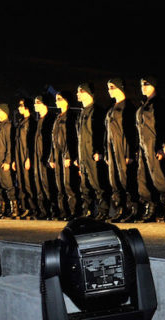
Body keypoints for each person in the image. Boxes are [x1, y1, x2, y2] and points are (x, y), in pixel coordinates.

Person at [135, 76, 165, 222]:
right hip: (143, 146)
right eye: (141, 84)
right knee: (143, 179)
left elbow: (164, 126)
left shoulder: (159, 104)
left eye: (147, 84)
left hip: (154, 145)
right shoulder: (142, 105)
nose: (143, 87)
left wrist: (162, 145)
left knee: (160, 178)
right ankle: (151, 208)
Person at [104, 79, 139, 222]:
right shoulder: (111, 108)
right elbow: (107, 133)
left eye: (111, 87)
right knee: (115, 180)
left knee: (126, 180)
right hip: (112, 149)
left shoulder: (129, 108)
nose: (109, 90)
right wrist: (106, 152)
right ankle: (120, 209)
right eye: (108, 88)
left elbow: (131, 132)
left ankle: (132, 209)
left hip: (123, 149)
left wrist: (129, 152)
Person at [75, 83, 109, 220]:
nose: (77, 94)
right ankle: (88, 210)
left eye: (80, 91)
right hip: (83, 154)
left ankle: (103, 210)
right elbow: (80, 137)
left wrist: (100, 150)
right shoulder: (82, 112)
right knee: (85, 185)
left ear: (89, 93)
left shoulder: (98, 111)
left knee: (98, 183)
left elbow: (101, 133)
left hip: (93, 154)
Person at [50, 91, 77, 220]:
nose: (57, 101)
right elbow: (53, 139)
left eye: (59, 99)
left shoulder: (71, 117)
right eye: (56, 99)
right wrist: (52, 157)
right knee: (59, 184)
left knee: (68, 184)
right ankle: (63, 211)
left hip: (66, 154)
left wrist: (68, 155)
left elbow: (71, 138)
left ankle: (73, 211)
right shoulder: (58, 118)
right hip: (57, 154)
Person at [32, 96, 55, 219]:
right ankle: (43, 210)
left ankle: (52, 210)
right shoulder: (39, 121)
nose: (35, 105)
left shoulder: (51, 119)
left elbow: (52, 140)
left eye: (37, 103)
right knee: (39, 184)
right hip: (37, 156)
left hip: (46, 156)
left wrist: (50, 157)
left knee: (48, 184)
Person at [0, 104, 17, 217]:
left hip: (3, 162)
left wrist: (7, 161)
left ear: (4, 112)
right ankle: (3, 209)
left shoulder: (8, 126)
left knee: (8, 186)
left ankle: (14, 209)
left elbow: (10, 144)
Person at [14, 98, 36, 219]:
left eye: (21, 105)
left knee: (28, 183)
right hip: (19, 156)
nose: (19, 108)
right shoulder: (21, 122)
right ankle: (25, 207)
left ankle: (32, 207)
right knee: (21, 183)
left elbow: (30, 142)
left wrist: (28, 158)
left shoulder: (31, 122)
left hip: (25, 156)